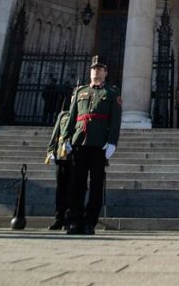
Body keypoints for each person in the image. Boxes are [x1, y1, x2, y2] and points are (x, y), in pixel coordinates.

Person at [60, 57, 122, 235]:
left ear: (105, 73)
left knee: (95, 184)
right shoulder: (80, 92)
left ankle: (90, 221)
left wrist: (112, 142)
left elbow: (115, 121)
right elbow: (72, 117)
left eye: (100, 69)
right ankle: (74, 220)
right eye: (94, 68)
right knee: (76, 184)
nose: (96, 71)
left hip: (99, 144)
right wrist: (65, 138)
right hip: (79, 142)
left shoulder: (111, 93)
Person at [45, 95, 73, 231]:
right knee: (61, 187)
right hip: (62, 155)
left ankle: (70, 218)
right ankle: (59, 217)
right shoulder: (63, 116)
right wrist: (51, 150)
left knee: (74, 188)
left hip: (77, 155)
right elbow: (56, 133)